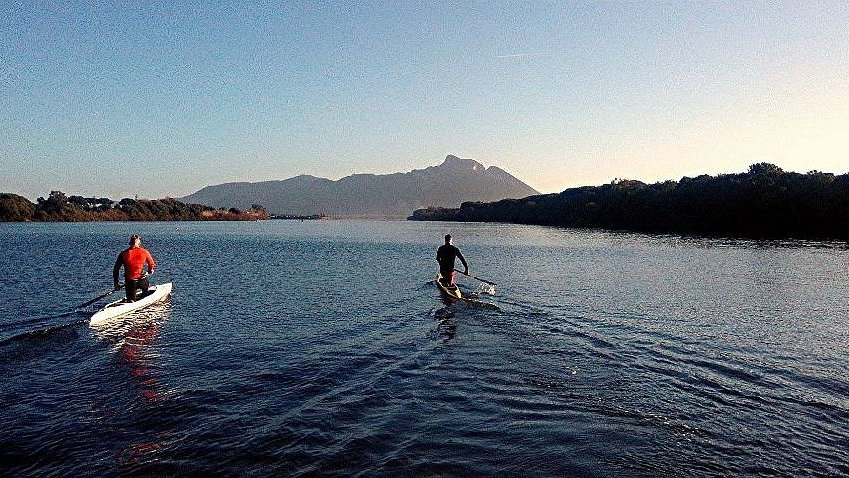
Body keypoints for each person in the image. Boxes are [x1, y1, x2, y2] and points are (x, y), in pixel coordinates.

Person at [114, 234, 156, 302]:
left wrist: (116, 284)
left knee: (130, 299)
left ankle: (131, 300)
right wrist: (150, 270)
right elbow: (151, 264)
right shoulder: (144, 252)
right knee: (145, 286)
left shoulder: (123, 254)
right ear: (139, 243)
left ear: (130, 243)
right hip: (142, 280)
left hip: (130, 282)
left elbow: (116, 270)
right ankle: (145, 295)